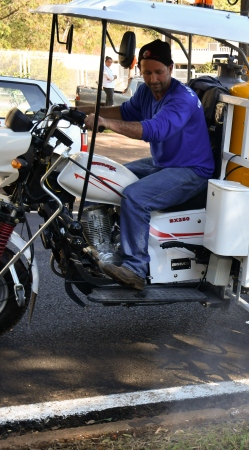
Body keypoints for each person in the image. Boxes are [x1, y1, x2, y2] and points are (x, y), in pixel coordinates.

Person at [80, 39, 214, 291]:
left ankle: (135, 268)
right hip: (163, 163)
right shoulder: (145, 91)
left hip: (192, 171)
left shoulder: (181, 99)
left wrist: (105, 123)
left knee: (135, 197)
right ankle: (102, 248)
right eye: (147, 72)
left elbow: (154, 130)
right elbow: (125, 112)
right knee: (99, 178)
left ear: (171, 68)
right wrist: (79, 110)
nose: (153, 79)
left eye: (158, 72)